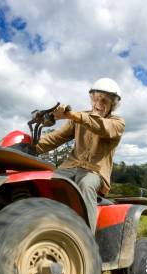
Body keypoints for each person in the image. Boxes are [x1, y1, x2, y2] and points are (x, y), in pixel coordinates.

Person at [36, 78, 125, 233]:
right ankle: (41, 228)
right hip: (70, 166)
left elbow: (101, 127)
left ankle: (86, 239)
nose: (98, 104)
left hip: (95, 171)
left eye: (104, 101)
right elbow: (55, 138)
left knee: (86, 184)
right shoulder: (78, 118)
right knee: (45, 180)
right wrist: (28, 146)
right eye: (95, 99)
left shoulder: (117, 123)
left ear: (113, 104)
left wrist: (72, 115)